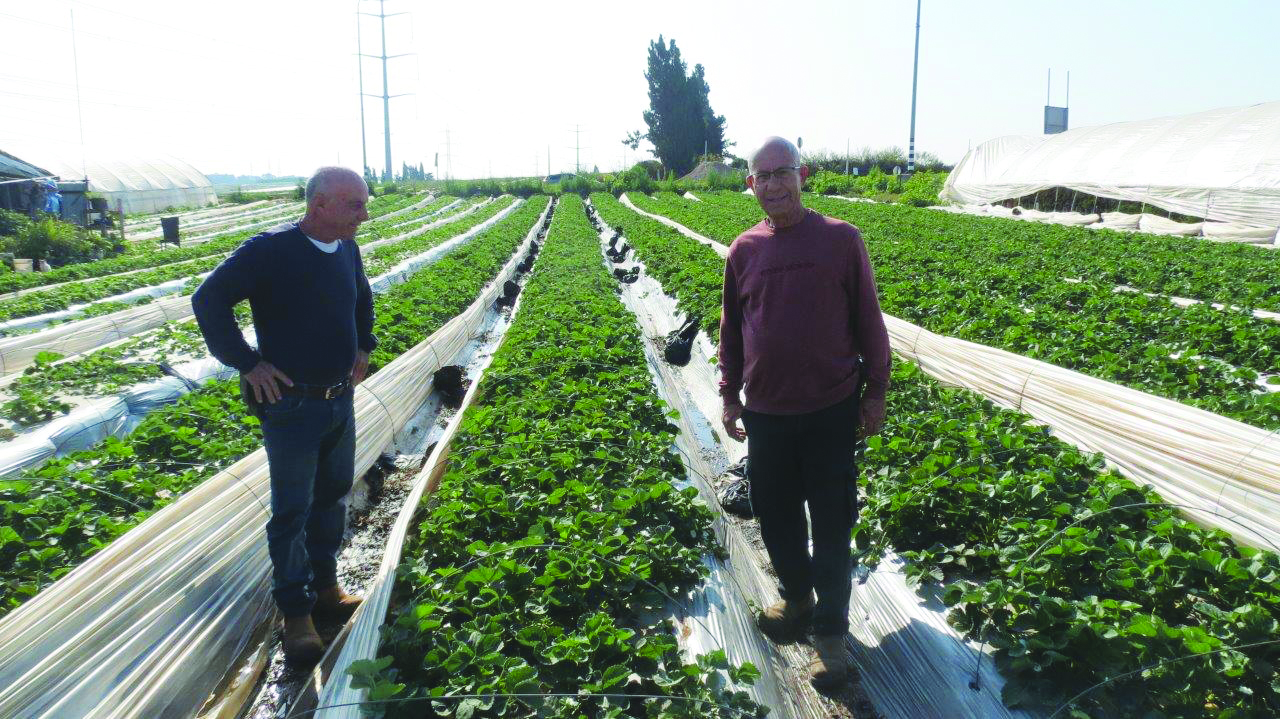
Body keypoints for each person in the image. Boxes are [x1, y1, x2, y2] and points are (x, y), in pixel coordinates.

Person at [718, 137, 891, 689]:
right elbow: (731, 331)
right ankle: (797, 600)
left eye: (782, 172)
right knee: (774, 514)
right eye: (762, 177)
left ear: (803, 174)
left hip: (830, 409)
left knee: (833, 521)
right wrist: (728, 394)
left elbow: (869, 320)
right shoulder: (744, 250)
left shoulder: (841, 239)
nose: (772, 185)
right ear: (751, 185)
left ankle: (831, 636)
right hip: (767, 413)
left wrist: (875, 391)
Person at [192, 166, 376, 666]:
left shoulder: (347, 249)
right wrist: (247, 362)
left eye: (364, 203)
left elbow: (362, 299)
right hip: (291, 404)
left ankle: (326, 589)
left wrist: (364, 344)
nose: (364, 214)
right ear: (320, 204)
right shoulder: (270, 251)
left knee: (332, 496)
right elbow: (208, 300)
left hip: (339, 398)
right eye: (354, 204)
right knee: (293, 509)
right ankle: (295, 613)